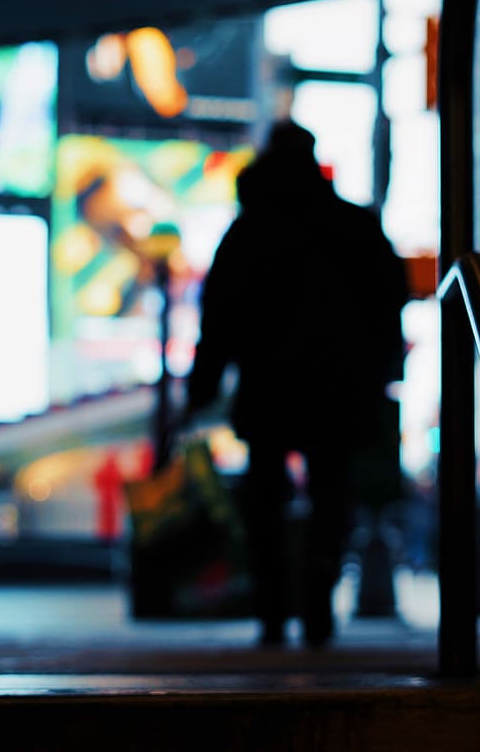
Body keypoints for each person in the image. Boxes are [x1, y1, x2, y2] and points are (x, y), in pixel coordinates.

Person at [183, 120, 407, 647]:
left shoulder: (247, 231)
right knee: (332, 489)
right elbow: (386, 303)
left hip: (268, 383)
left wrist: (203, 385)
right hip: (339, 384)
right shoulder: (354, 225)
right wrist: (384, 375)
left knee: (263, 491)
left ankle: (271, 607)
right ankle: (318, 597)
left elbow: (218, 316)